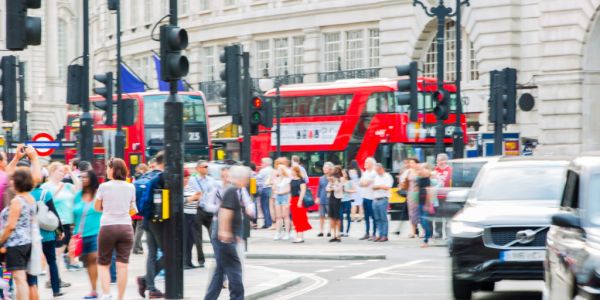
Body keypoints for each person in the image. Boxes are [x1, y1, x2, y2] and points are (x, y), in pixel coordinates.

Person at [204, 166, 251, 300]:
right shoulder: (232, 191)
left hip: (225, 237)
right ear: (241, 178)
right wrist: (225, 232)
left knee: (220, 271)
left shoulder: (233, 189)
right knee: (235, 270)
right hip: (225, 239)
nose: (248, 181)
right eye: (247, 178)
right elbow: (224, 211)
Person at [0, 167, 37, 300]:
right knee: (22, 278)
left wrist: (1, 241)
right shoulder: (30, 198)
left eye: (12, 180)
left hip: (15, 243)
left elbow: (10, 226)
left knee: (19, 278)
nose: (10, 182)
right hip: (27, 242)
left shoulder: (17, 201)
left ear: (18, 181)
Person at [41, 162, 81, 271]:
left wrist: (71, 173)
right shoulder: (45, 187)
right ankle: (54, 277)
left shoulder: (66, 185)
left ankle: (55, 276)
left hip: (68, 223)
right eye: (60, 171)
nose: (63, 173)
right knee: (57, 251)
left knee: (60, 250)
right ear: (52, 171)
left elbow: (79, 188)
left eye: (63, 171)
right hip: (56, 224)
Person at [137, 152, 166, 299]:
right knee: (169, 254)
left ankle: (151, 287)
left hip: (147, 220)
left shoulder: (147, 176)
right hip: (158, 222)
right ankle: (147, 281)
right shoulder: (160, 178)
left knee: (152, 254)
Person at [71, 170, 102, 299]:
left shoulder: (98, 195)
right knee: (88, 262)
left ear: (92, 179)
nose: (83, 179)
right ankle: (93, 289)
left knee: (94, 259)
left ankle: (95, 290)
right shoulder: (77, 196)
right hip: (80, 235)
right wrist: (73, 235)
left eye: (86, 177)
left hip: (96, 233)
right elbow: (74, 216)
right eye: (81, 177)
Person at [31, 183, 66, 298]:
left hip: (31, 235)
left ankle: (34, 290)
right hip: (47, 234)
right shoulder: (45, 193)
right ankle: (56, 290)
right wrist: (60, 230)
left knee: (32, 263)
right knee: (52, 261)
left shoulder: (24, 195)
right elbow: (53, 213)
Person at [187, 160, 217, 269]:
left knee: (214, 235)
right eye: (204, 166)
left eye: (207, 166)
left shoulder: (211, 180)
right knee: (197, 237)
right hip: (198, 210)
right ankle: (201, 260)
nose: (206, 168)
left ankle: (218, 257)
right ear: (198, 168)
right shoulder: (192, 180)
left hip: (209, 211)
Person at [183, 169, 202, 269]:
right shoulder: (178, 189)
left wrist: (198, 197)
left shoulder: (190, 188)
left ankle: (189, 261)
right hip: (184, 216)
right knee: (185, 240)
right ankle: (185, 262)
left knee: (191, 240)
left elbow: (195, 199)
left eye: (187, 177)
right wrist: (193, 198)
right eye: (185, 177)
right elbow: (181, 201)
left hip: (193, 215)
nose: (186, 179)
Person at [289, 166, 311, 243]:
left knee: (300, 218)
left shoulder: (301, 181)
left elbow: (303, 191)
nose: (291, 172)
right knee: (295, 219)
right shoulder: (291, 180)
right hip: (293, 200)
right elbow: (290, 192)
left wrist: (300, 201)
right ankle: (298, 236)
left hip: (298, 200)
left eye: (292, 171)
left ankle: (300, 236)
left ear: (296, 171)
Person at [372, 163, 393, 242]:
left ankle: (384, 235)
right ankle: (380, 234)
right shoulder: (376, 176)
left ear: (382, 169)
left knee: (383, 218)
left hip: (383, 199)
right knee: (377, 218)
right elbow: (373, 187)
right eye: (376, 170)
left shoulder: (387, 176)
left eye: (378, 170)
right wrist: (380, 186)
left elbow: (387, 187)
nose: (377, 172)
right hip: (375, 199)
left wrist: (378, 186)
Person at [359, 157, 377, 240]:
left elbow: (365, 184)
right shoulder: (365, 173)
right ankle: (367, 233)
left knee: (373, 217)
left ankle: (374, 233)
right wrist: (363, 183)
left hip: (371, 198)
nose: (365, 164)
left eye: (367, 162)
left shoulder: (373, 173)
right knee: (366, 217)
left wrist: (364, 183)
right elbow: (360, 183)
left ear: (371, 164)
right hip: (365, 197)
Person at [272, 164, 291, 240]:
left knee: (285, 216)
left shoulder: (287, 179)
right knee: (278, 217)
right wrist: (274, 186)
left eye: (279, 170)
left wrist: (280, 192)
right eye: (278, 170)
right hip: (277, 197)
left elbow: (288, 189)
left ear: (283, 171)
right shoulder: (276, 179)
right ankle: (278, 233)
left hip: (284, 197)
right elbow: (273, 188)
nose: (278, 171)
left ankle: (287, 233)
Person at [417, 164, 434, 247]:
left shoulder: (427, 180)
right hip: (420, 202)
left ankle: (427, 239)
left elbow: (429, 192)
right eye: (420, 169)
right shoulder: (420, 179)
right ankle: (427, 237)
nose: (420, 170)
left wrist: (427, 204)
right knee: (421, 221)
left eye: (422, 169)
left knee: (424, 221)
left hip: (425, 203)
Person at [326, 166, 343, 242]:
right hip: (331, 199)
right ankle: (333, 235)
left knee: (337, 218)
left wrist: (333, 183)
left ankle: (338, 235)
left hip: (337, 200)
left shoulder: (340, 179)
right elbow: (327, 188)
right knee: (332, 217)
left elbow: (337, 189)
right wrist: (331, 184)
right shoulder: (331, 180)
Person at [255, 158, 273, 229]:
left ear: (266, 163)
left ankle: (267, 223)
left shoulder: (263, 170)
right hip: (271, 189)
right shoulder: (272, 170)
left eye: (262, 163)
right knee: (270, 207)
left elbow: (257, 178)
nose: (261, 164)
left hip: (265, 189)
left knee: (265, 207)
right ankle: (270, 222)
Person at [316, 162, 333, 237]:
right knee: (321, 216)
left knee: (330, 216)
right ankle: (321, 231)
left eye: (325, 168)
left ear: (330, 169)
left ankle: (329, 231)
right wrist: (317, 197)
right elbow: (319, 188)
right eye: (323, 167)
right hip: (322, 199)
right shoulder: (321, 178)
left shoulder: (333, 177)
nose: (324, 169)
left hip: (330, 199)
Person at [405, 158, 421, 238]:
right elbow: (403, 180)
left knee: (420, 212)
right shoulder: (408, 171)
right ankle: (413, 231)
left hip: (418, 193)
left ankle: (422, 231)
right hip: (410, 193)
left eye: (412, 163)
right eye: (410, 163)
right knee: (411, 213)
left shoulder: (420, 171)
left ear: (416, 163)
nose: (411, 164)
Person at [340, 169, 355, 237]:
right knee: (340, 217)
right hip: (340, 200)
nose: (343, 175)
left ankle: (347, 232)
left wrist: (347, 190)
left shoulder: (350, 182)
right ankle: (341, 231)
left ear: (347, 174)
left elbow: (354, 190)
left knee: (348, 216)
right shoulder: (340, 180)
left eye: (345, 173)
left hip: (347, 200)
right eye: (342, 173)